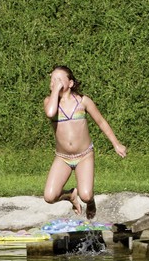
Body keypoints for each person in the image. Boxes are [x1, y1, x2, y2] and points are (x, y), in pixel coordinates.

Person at [43, 65, 127, 220]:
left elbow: (101, 122)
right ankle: (70, 196)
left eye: (59, 79)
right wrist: (55, 91)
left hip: (84, 155)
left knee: (86, 195)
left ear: (70, 83)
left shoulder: (83, 101)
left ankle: (90, 201)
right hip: (63, 157)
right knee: (49, 196)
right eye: (52, 80)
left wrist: (116, 143)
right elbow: (50, 113)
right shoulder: (49, 102)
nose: (55, 83)